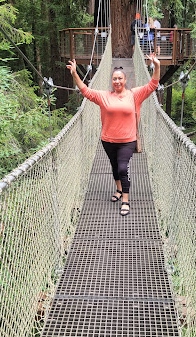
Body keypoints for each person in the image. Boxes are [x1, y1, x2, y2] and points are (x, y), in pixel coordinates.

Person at [66, 54, 161, 216]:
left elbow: (153, 85)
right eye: (114, 79)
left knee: (123, 168)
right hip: (107, 140)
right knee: (115, 166)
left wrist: (157, 66)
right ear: (112, 81)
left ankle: (125, 199)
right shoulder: (104, 96)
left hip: (128, 140)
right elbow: (86, 91)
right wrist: (75, 73)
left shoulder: (134, 95)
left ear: (125, 80)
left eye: (120, 78)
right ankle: (118, 189)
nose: (117, 81)